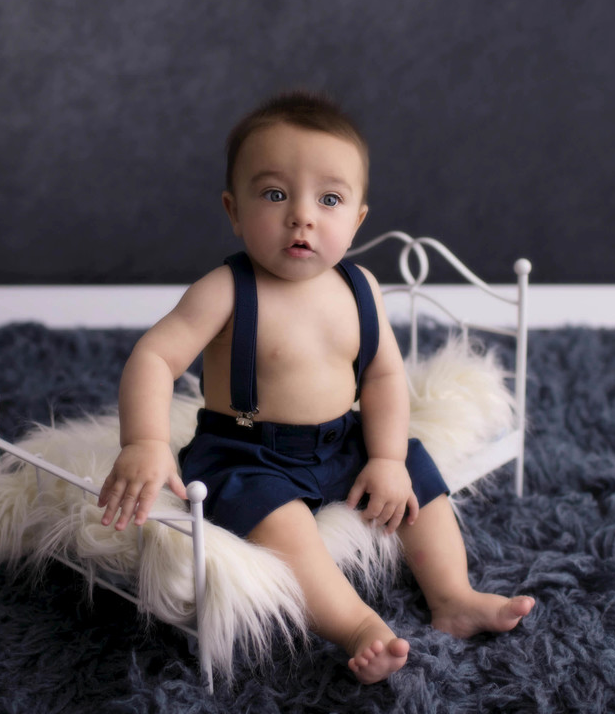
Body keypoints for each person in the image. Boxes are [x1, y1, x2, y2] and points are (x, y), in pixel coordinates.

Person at [98, 91, 534, 683]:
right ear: (233, 209)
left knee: (416, 476)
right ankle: (356, 625)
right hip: (247, 452)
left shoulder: (361, 288)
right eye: (275, 194)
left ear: (356, 219)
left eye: (329, 199)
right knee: (285, 529)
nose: (302, 216)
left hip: (341, 439)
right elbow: (153, 356)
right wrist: (145, 442)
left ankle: (453, 596)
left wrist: (384, 456)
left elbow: (382, 375)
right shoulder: (225, 289)